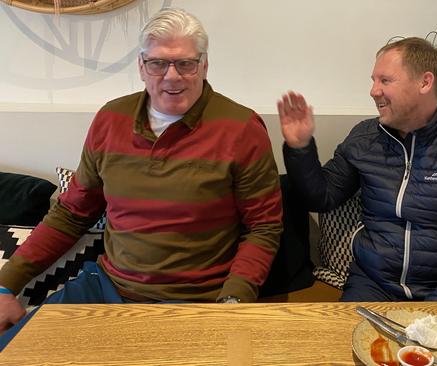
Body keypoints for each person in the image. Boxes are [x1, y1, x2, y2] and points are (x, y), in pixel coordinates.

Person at [0, 7, 283, 347]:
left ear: (204, 65)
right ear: (141, 66)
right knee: (13, 352)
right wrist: (7, 284)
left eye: (186, 63)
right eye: (158, 63)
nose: (172, 76)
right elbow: (71, 212)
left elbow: (263, 228)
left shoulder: (241, 128)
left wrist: (233, 301)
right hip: (104, 289)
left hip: (196, 301)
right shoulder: (110, 119)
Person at [278, 37, 437, 302]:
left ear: (425, 82)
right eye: (373, 80)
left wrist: (434, 312)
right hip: (372, 284)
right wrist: (300, 148)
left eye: (385, 81)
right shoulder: (365, 138)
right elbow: (322, 197)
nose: (373, 91)